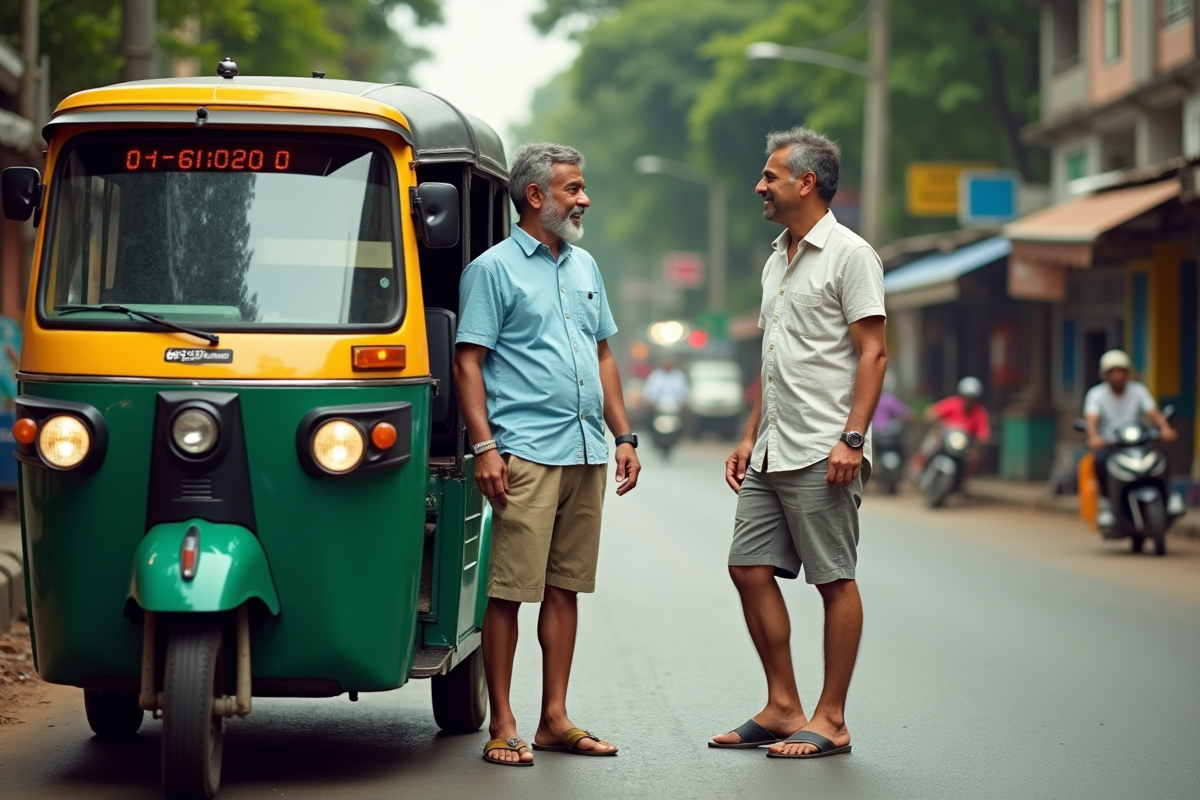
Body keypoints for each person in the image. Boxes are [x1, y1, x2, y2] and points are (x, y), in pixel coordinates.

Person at [454, 142, 641, 766]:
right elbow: (468, 362)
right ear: (536, 197)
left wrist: (623, 435)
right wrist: (485, 447)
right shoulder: (493, 270)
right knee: (509, 589)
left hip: (586, 449)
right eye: (573, 189)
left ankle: (554, 718)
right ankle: (503, 720)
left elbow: (604, 354)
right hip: (524, 452)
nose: (584, 199)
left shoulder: (586, 267)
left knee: (565, 588)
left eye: (582, 188)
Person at [716, 127, 887, 759]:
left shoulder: (850, 255)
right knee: (748, 568)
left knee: (833, 579)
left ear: (805, 182)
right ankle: (784, 705)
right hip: (772, 446)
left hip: (825, 448)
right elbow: (774, 357)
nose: (760, 186)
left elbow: (874, 352)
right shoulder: (775, 257)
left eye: (770, 176)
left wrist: (853, 438)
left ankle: (832, 718)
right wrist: (747, 434)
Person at [1085, 349, 1177, 530]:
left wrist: (1165, 428)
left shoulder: (1138, 390)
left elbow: (1153, 412)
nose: (1118, 376)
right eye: (1113, 372)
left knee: (1162, 456)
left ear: (1127, 373)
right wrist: (1094, 436)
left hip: (1137, 442)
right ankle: (1106, 502)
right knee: (1100, 461)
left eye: (1121, 371)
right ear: (1106, 374)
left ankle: (1168, 497)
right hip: (1112, 444)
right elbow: (1091, 417)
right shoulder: (1096, 394)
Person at [915, 377, 990, 478]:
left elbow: (984, 434)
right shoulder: (952, 403)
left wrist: (979, 443)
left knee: (974, 457)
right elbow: (931, 412)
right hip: (943, 437)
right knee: (929, 446)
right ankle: (917, 471)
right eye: (966, 396)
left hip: (964, 444)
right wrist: (934, 423)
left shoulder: (979, 412)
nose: (968, 400)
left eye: (972, 397)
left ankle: (963, 480)